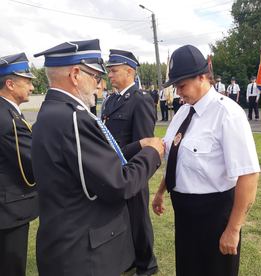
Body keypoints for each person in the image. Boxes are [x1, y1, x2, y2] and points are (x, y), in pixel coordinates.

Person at [32, 39, 164, 276]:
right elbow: (117, 183)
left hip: (68, 240)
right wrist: (153, 152)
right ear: (75, 74)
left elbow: (97, 159)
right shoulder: (72, 118)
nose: (100, 83)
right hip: (83, 251)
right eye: (95, 76)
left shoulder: (53, 111)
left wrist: (137, 148)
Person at [152, 45, 260, 276]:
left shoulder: (228, 114)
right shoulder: (183, 112)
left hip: (214, 215)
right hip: (185, 213)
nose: (178, 92)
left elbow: (249, 174)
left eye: (182, 85)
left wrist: (233, 229)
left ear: (203, 76)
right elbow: (175, 154)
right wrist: (161, 191)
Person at [102, 49, 158, 276]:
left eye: (114, 71)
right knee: (119, 222)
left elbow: (145, 145)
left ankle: (146, 266)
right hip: (112, 171)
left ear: (129, 71)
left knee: (138, 222)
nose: (110, 75)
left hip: (132, 173)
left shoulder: (140, 100)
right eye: (109, 71)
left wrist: (137, 174)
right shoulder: (110, 100)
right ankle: (128, 262)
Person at [0, 53, 39, 276]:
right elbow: (33, 162)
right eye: (27, 81)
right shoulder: (8, 119)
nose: (32, 87)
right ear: (10, 84)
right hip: (9, 209)